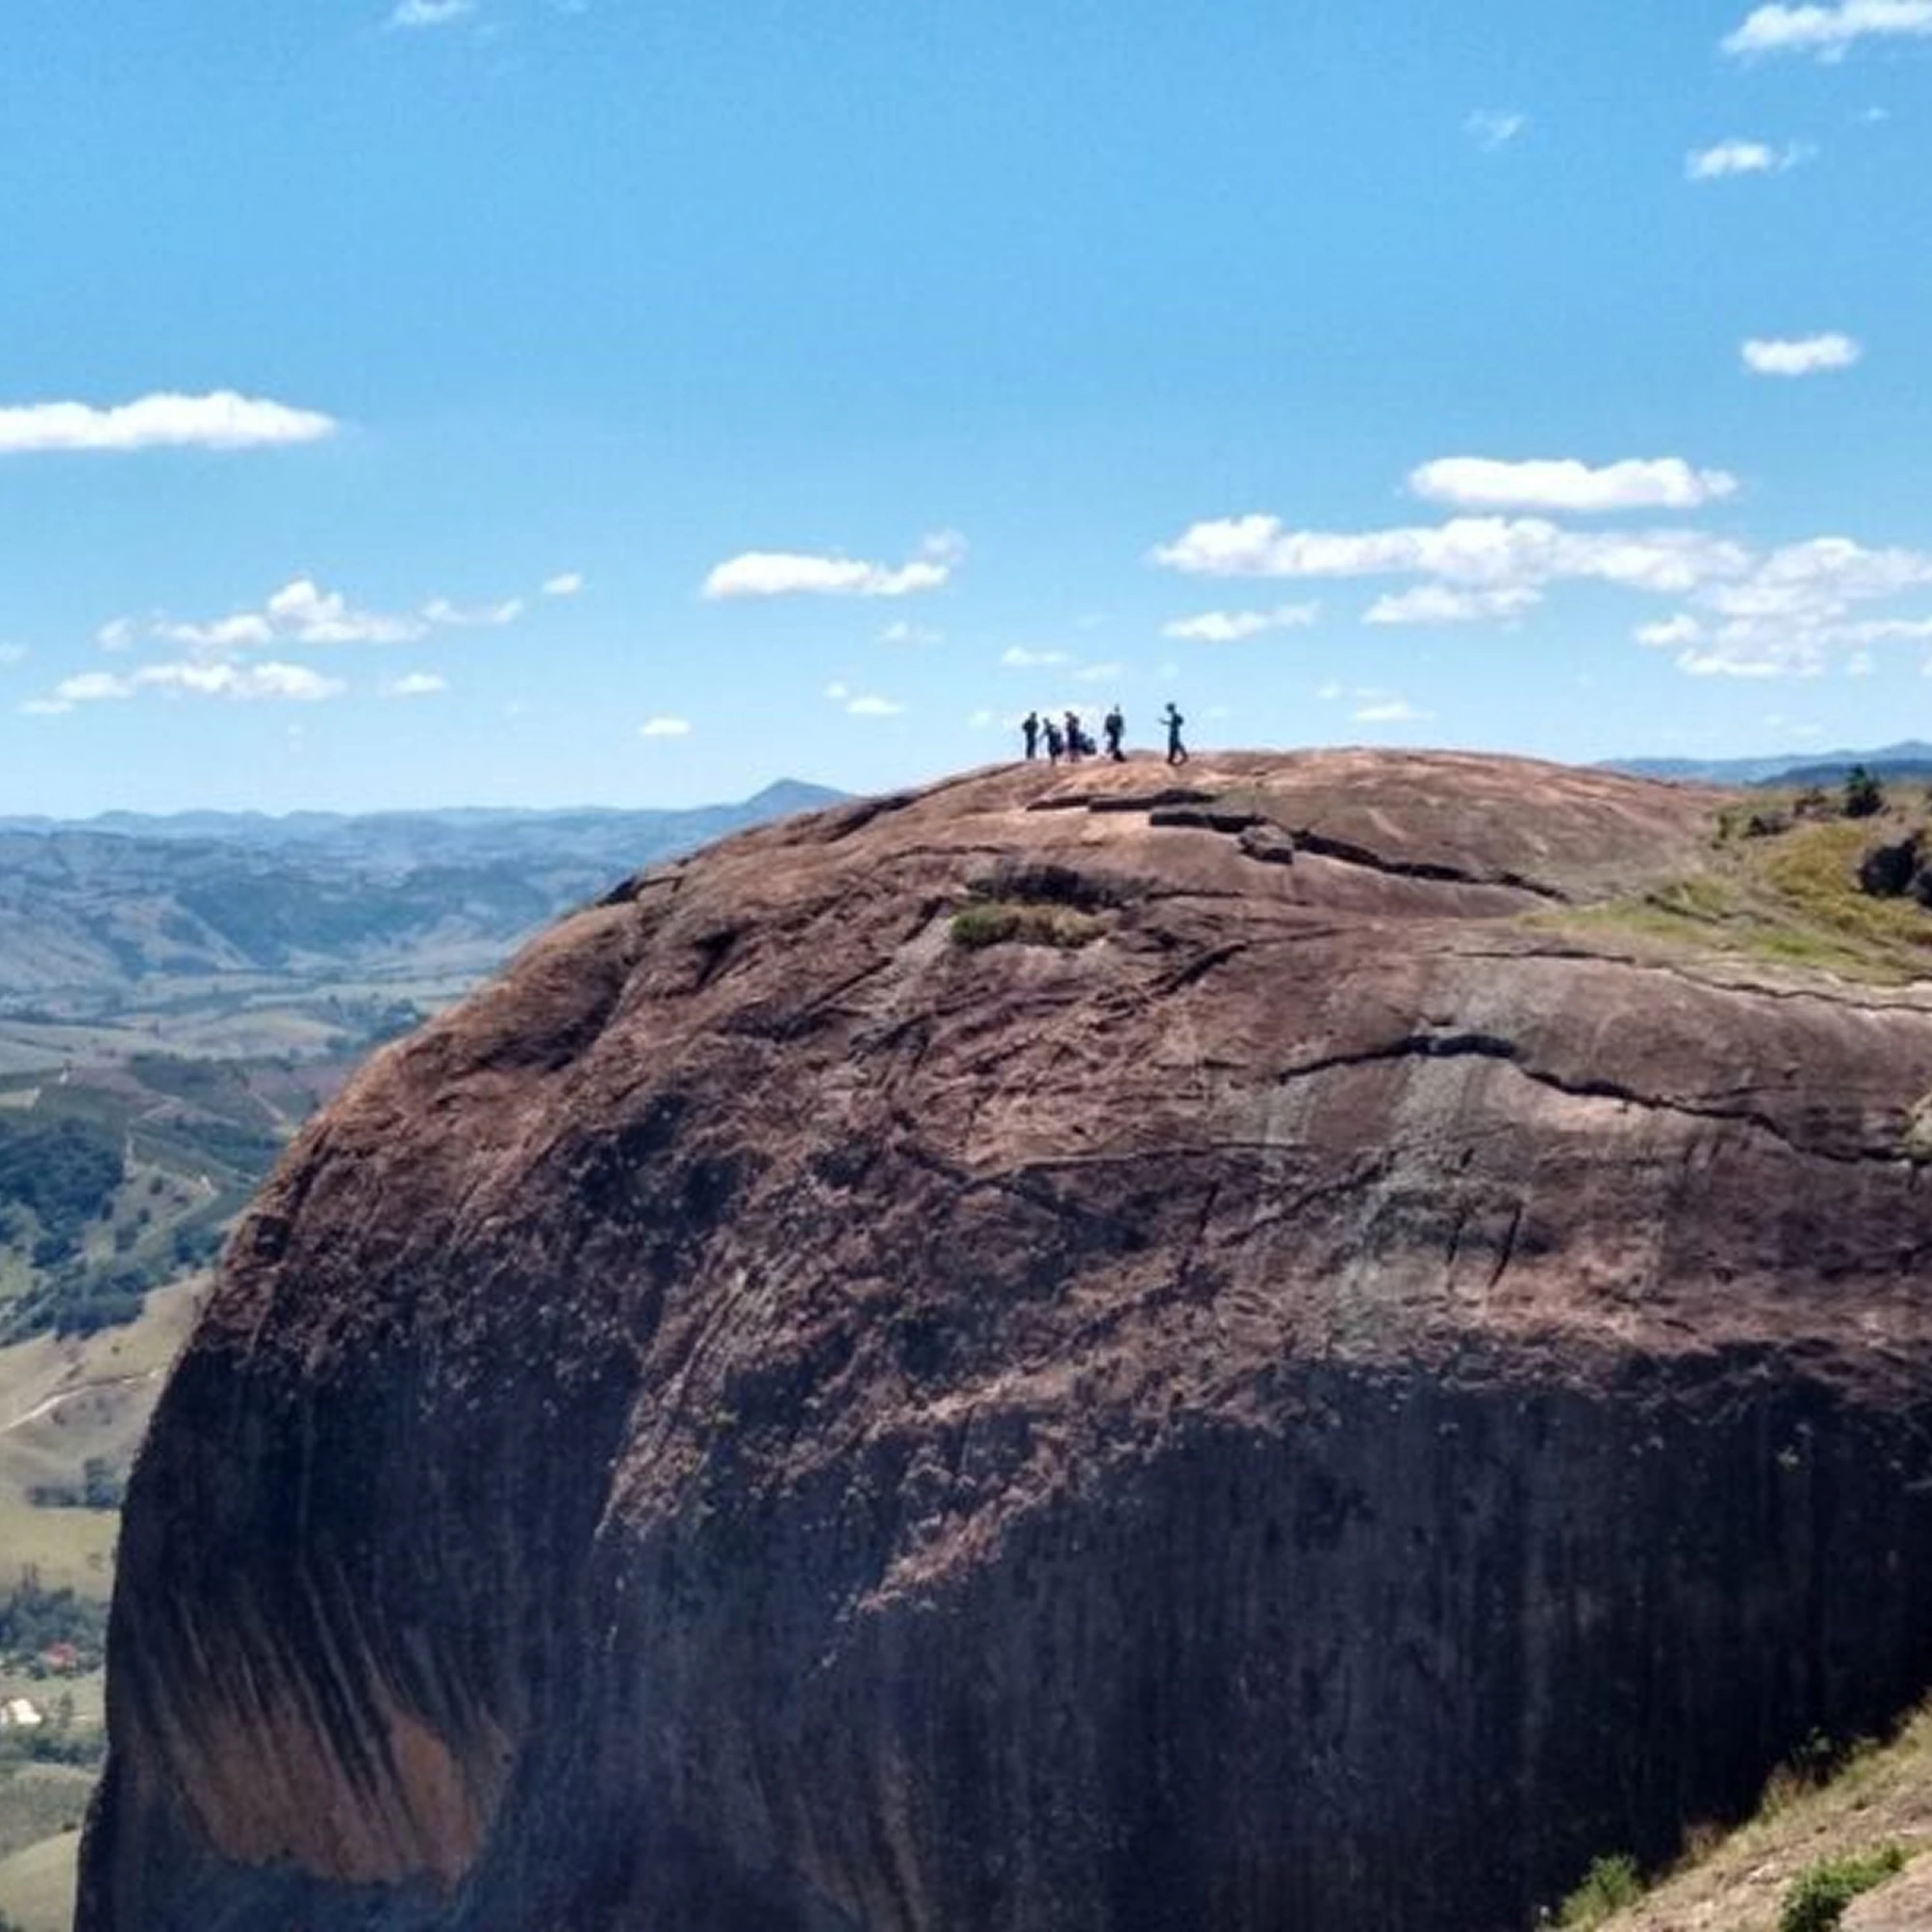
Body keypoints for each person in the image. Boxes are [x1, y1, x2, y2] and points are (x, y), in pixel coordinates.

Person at [1161, 701, 1188, 766]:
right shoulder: (1174, 716)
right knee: (1174, 747)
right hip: (1174, 734)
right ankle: (1171, 760)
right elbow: (1175, 723)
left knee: (1175, 746)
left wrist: (1165, 723)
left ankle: (1183, 757)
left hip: (1174, 735)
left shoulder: (1175, 716)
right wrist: (1165, 722)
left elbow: (1178, 722)